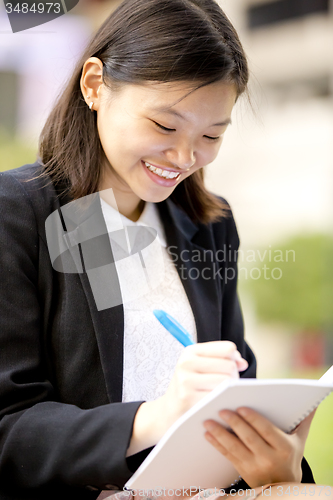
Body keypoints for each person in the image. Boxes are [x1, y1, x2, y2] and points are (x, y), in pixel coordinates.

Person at [0, 0, 327, 499]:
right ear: (94, 85)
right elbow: (10, 427)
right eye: (165, 126)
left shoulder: (207, 225)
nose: (184, 158)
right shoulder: (18, 214)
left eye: (211, 135)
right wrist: (158, 416)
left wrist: (276, 460)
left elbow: (236, 391)